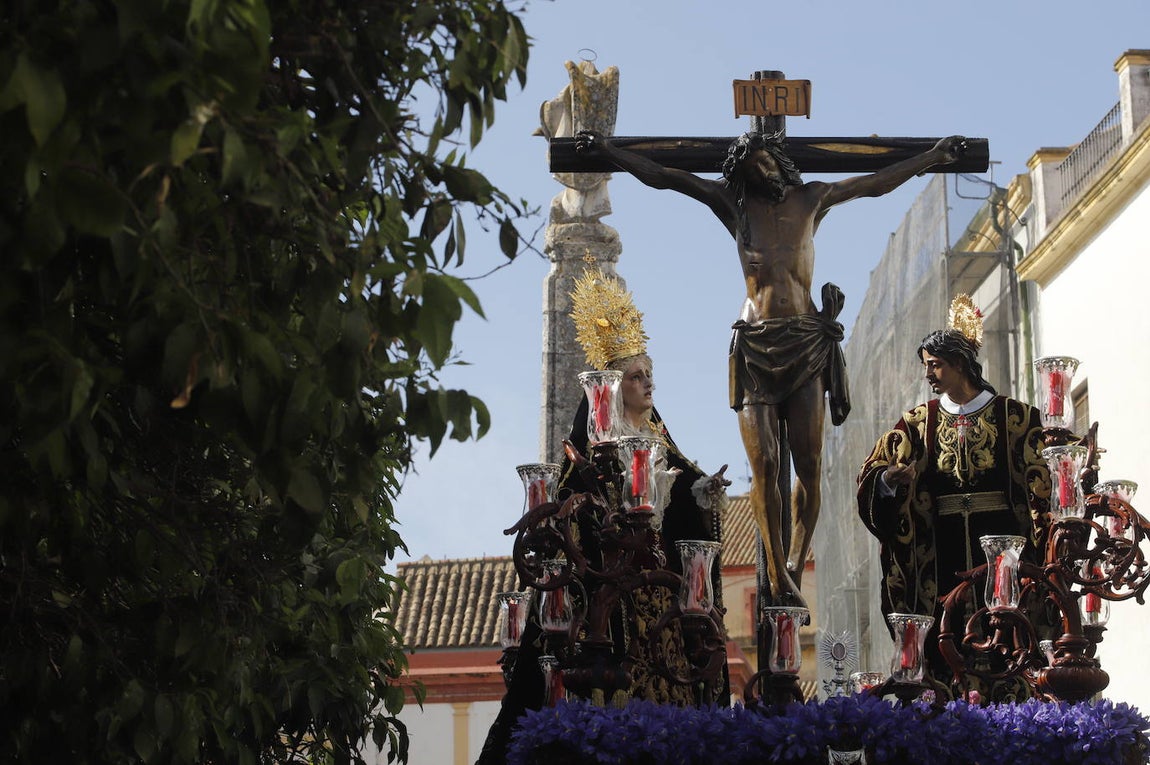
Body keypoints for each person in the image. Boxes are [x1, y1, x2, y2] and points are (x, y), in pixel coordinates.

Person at [575, 129, 968, 607]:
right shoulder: (734, 206)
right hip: (756, 346)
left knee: (808, 464)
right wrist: (610, 153)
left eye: (768, 163)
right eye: (754, 168)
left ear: (780, 162)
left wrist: (929, 158)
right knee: (763, 466)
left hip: (804, 341)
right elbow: (667, 177)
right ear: (743, 174)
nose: (765, 173)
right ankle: (777, 573)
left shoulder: (813, 198)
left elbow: (875, 182)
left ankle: (797, 562)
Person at [476, 269, 730, 764]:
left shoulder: (661, 440)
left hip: (662, 597)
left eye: (650, 373)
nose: (648, 383)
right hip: (612, 605)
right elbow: (573, 520)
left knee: (673, 690)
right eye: (637, 376)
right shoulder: (592, 452)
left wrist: (701, 494)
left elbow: (684, 497)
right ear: (614, 389)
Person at [856, 295, 1051, 696]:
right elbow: (872, 474)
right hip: (938, 552)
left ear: (960, 364)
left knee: (1004, 631)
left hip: (1001, 549)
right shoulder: (916, 423)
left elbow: (1046, 463)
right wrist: (890, 481)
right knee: (944, 635)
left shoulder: (1014, 416)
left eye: (935, 365)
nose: (928, 374)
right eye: (926, 366)